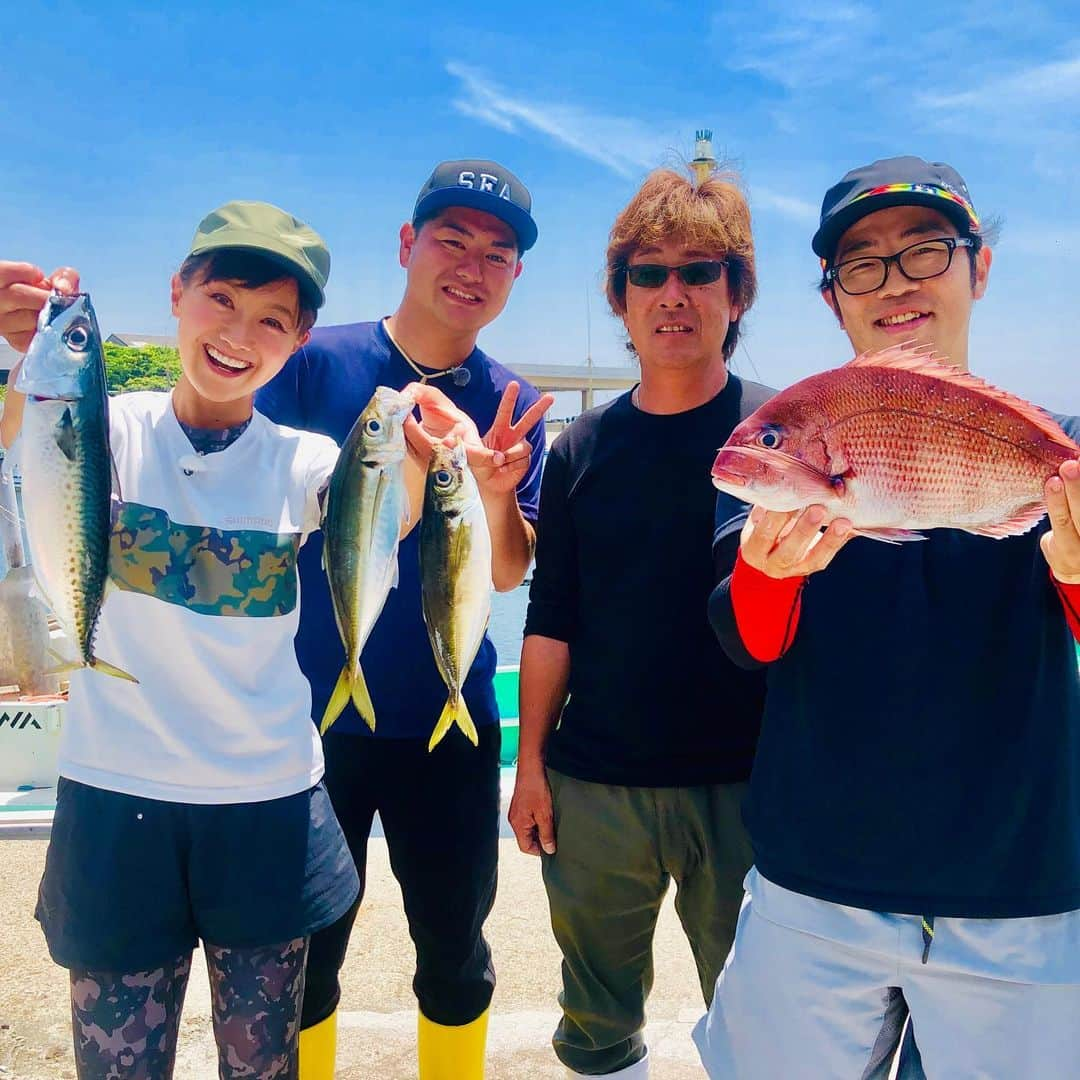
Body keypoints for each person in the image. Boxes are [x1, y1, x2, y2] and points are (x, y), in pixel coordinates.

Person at [695, 156, 1080, 1078]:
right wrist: (766, 571)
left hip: (1017, 888)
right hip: (814, 880)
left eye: (925, 252)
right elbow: (746, 638)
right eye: (862, 263)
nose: (895, 281)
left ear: (978, 269)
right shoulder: (785, 454)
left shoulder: (1061, 459)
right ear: (833, 298)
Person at [0, 201, 361, 1078]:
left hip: (268, 806)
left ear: (299, 339)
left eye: (272, 319)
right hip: (113, 796)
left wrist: (440, 457)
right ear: (176, 293)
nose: (240, 332)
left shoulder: (310, 462)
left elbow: (396, 507)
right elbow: (20, 432)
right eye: (223, 298)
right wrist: (19, 355)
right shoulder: (98, 422)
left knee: (262, 1066)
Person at [254, 160, 552, 1079]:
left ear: (514, 278)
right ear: (406, 245)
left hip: (447, 720)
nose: (471, 265)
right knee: (305, 953)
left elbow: (509, 566)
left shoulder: (511, 404)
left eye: (496, 253)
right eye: (451, 240)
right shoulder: (313, 364)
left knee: (456, 954)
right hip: (311, 721)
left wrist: (495, 487)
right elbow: (251, 507)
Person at [507, 165, 770, 1079]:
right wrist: (531, 765)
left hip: (749, 789)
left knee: (760, 1026)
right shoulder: (581, 446)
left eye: (700, 271)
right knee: (596, 1019)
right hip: (597, 789)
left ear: (737, 293)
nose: (673, 294)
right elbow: (551, 617)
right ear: (618, 299)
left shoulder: (780, 434)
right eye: (646, 274)